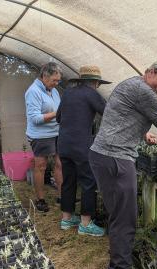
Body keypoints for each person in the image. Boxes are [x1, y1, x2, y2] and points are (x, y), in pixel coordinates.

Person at [89, 60, 157, 269]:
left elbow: (121, 115)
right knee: (125, 220)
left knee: (119, 215)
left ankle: (118, 260)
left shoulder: (131, 84)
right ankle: (120, 266)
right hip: (115, 158)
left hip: (104, 155)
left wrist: (143, 133)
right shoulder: (145, 91)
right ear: (150, 72)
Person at [56, 65, 110, 236]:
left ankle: (66, 218)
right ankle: (85, 223)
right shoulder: (92, 94)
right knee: (88, 182)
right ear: (94, 82)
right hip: (81, 146)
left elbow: (58, 118)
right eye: (98, 84)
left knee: (68, 181)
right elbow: (110, 114)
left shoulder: (67, 93)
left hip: (63, 144)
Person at [24, 62, 64, 212]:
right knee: (41, 166)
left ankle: (62, 196)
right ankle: (40, 199)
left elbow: (58, 108)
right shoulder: (33, 91)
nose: (56, 83)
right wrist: (57, 113)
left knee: (60, 164)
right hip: (40, 135)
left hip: (57, 132)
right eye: (54, 80)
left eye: (58, 80)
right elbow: (35, 118)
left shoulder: (53, 90)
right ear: (44, 76)